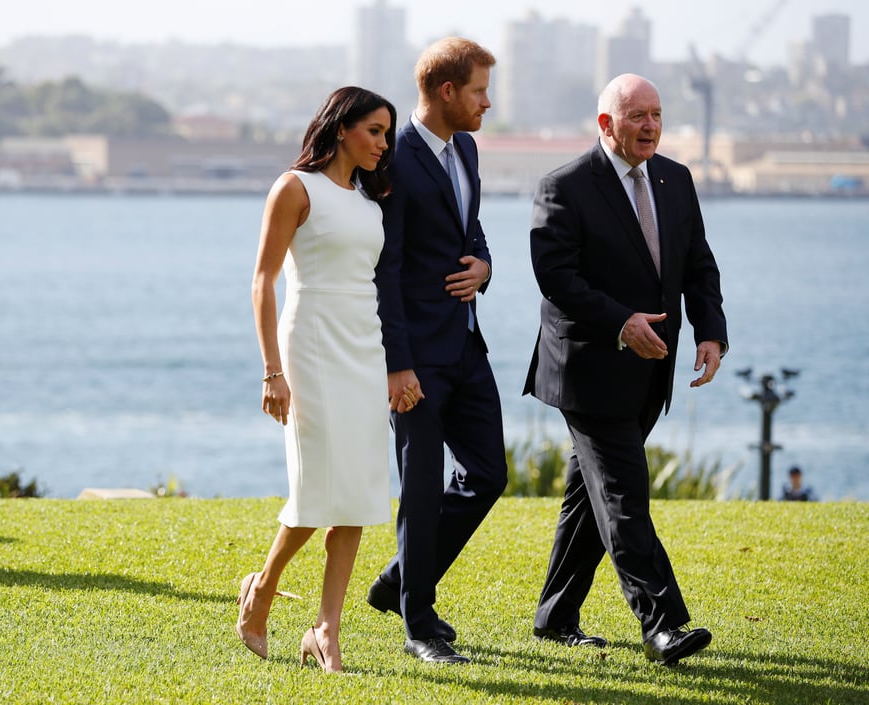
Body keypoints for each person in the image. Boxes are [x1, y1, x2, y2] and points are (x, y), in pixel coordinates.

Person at [523, 73, 728, 666]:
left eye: (657, 114)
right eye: (637, 115)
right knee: (623, 494)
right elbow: (557, 278)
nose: (650, 125)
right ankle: (662, 624)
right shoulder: (564, 185)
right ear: (606, 124)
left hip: (651, 370)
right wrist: (621, 323)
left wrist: (711, 330)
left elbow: (698, 263)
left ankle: (555, 615)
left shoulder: (676, 178)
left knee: (589, 496)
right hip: (588, 370)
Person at [238, 86, 404, 673]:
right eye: (374, 131)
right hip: (309, 342)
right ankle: (261, 590)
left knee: (357, 492)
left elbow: (376, 287)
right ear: (341, 129)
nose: (384, 144)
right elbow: (263, 281)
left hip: (364, 345)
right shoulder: (294, 187)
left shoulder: (369, 202)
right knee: (313, 491)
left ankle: (325, 632)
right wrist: (271, 372)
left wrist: (392, 367)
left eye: (387, 133)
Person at [370, 37, 508, 665]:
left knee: (488, 474)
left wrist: (485, 266)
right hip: (416, 358)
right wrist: (398, 364)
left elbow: (469, 229)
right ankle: (418, 623)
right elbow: (386, 267)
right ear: (447, 91)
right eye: (479, 90)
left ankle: (399, 581)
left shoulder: (468, 148)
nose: (488, 103)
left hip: (466, 343)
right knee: (421, 486)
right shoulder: (392, 158)